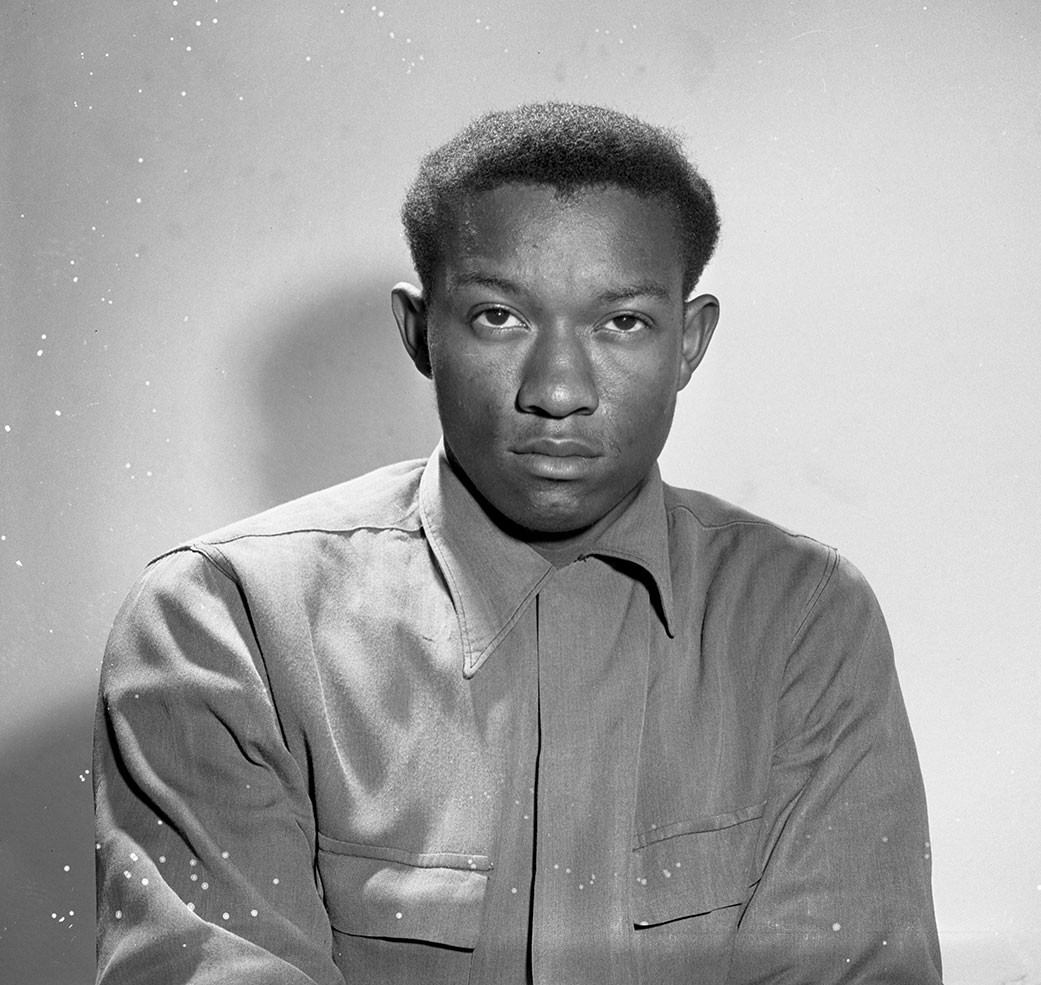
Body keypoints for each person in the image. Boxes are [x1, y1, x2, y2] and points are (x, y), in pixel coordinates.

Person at [94, 102, 942, 984]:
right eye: (499, 316)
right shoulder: (223, 621)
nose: (559, 390)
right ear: (420, 331)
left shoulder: (803, 618)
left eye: (622, 323)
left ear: (688, 343)